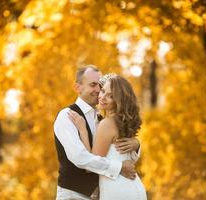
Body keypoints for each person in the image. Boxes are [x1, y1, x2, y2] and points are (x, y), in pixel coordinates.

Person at [54, 66, 141, 200]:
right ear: (78, 87)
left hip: (106, 192)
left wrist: (136, 144)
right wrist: (119, 167)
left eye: (100, 85)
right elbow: (80, 158)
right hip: (75, 195)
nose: (98, 90)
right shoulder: (68, 116)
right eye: (93, 85)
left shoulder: (104, 118)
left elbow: (117, 149)